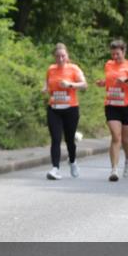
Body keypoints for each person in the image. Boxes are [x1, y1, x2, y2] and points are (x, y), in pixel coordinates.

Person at [95, 39, 128, 182]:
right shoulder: (108, 65)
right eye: (113, 54)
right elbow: (110, 81)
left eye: (118, 54)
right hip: (111, 104)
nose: (115, 57)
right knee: (116, 136)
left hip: (127, 105)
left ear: (124, 52)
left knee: (125, 139)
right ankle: (114, 170)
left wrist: (127, 81)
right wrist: (103, 83)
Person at [43, 43, 87, 179]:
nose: (60, 59)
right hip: (54, 109)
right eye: (57, 56)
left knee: (69, 140)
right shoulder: (51, 69)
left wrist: (70, 84)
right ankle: (55, 168)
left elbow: (84, 85)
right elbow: (47, 82)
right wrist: (44, 88)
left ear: (67, 56)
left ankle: (72, 161)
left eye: (63, 56)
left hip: (71, 109)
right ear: (54, 57)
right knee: (55, 139)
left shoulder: (74, 69)